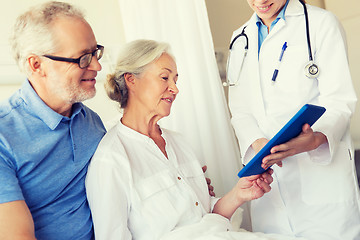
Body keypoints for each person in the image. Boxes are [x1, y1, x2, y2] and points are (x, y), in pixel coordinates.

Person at [85, 39, 309, 240]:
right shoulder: (111, 159)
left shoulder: (178, 143)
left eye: (175, 79)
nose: (175, 88)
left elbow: (207, 216)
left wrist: (240, 193)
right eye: (165, 77)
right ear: (131, 80)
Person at [226, 0, 360, 239]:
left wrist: (316, 138)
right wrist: (259, 144)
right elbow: (240, 109)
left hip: (320, 180)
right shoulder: (240, 38)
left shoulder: (321, 23)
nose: (260, 1)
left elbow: (339, 100)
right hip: (269, 184)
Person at [0, 2, 107, 239]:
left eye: (95, 52)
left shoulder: (92, 123)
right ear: (36, 65)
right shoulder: (3, 137)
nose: (97, 66)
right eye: (83, 58)